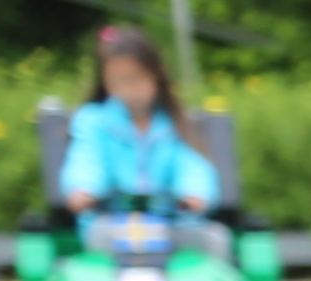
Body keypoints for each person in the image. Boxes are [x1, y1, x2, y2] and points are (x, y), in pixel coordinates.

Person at [57, 23, 220, 218]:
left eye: (137, 79)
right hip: (112, 224)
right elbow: (86, 160)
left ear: (156, 76)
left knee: (214, 240)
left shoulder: (173, 123)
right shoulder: (93, 122)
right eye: (120, 81)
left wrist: (195, 193)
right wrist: (83, 189)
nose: (130, 90)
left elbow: (191, 164)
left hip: (168, 226)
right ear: (105, 82)